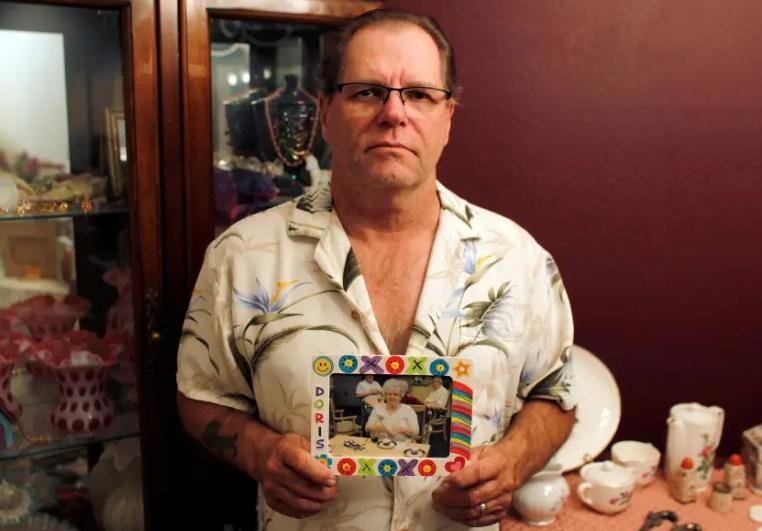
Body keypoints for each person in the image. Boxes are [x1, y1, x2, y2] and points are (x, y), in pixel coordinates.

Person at [176, 8, 576, 530]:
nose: (393, 113)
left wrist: (514, 463)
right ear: (326, 111)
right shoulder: (242, 256)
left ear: (448, 118)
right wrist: (259, 452)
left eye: (419, 94)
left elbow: (556, 395)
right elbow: (201, 394)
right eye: (367, 91)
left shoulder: (517, 261)